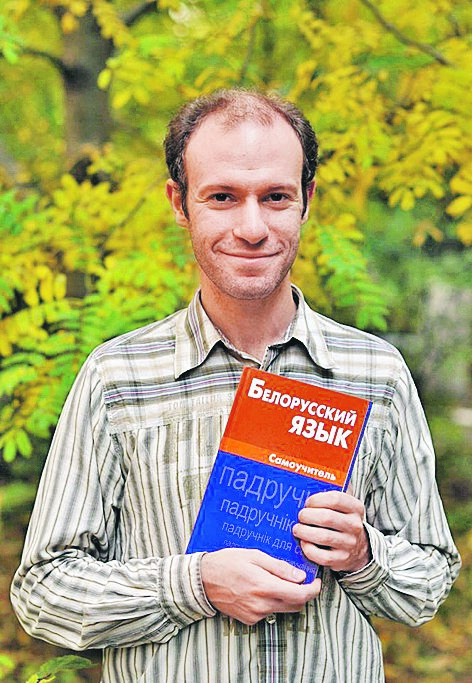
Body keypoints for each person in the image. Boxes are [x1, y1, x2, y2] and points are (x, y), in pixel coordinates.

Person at [11, 89, 460, 682]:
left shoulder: (377, 374)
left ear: (306, 201)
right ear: (180, 203)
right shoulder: (116, 378)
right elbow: (43, 592)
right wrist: (194, 584)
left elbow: (428, 582)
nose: (252, 228)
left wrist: (363, 556)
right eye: (222, 197)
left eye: (275, 197)